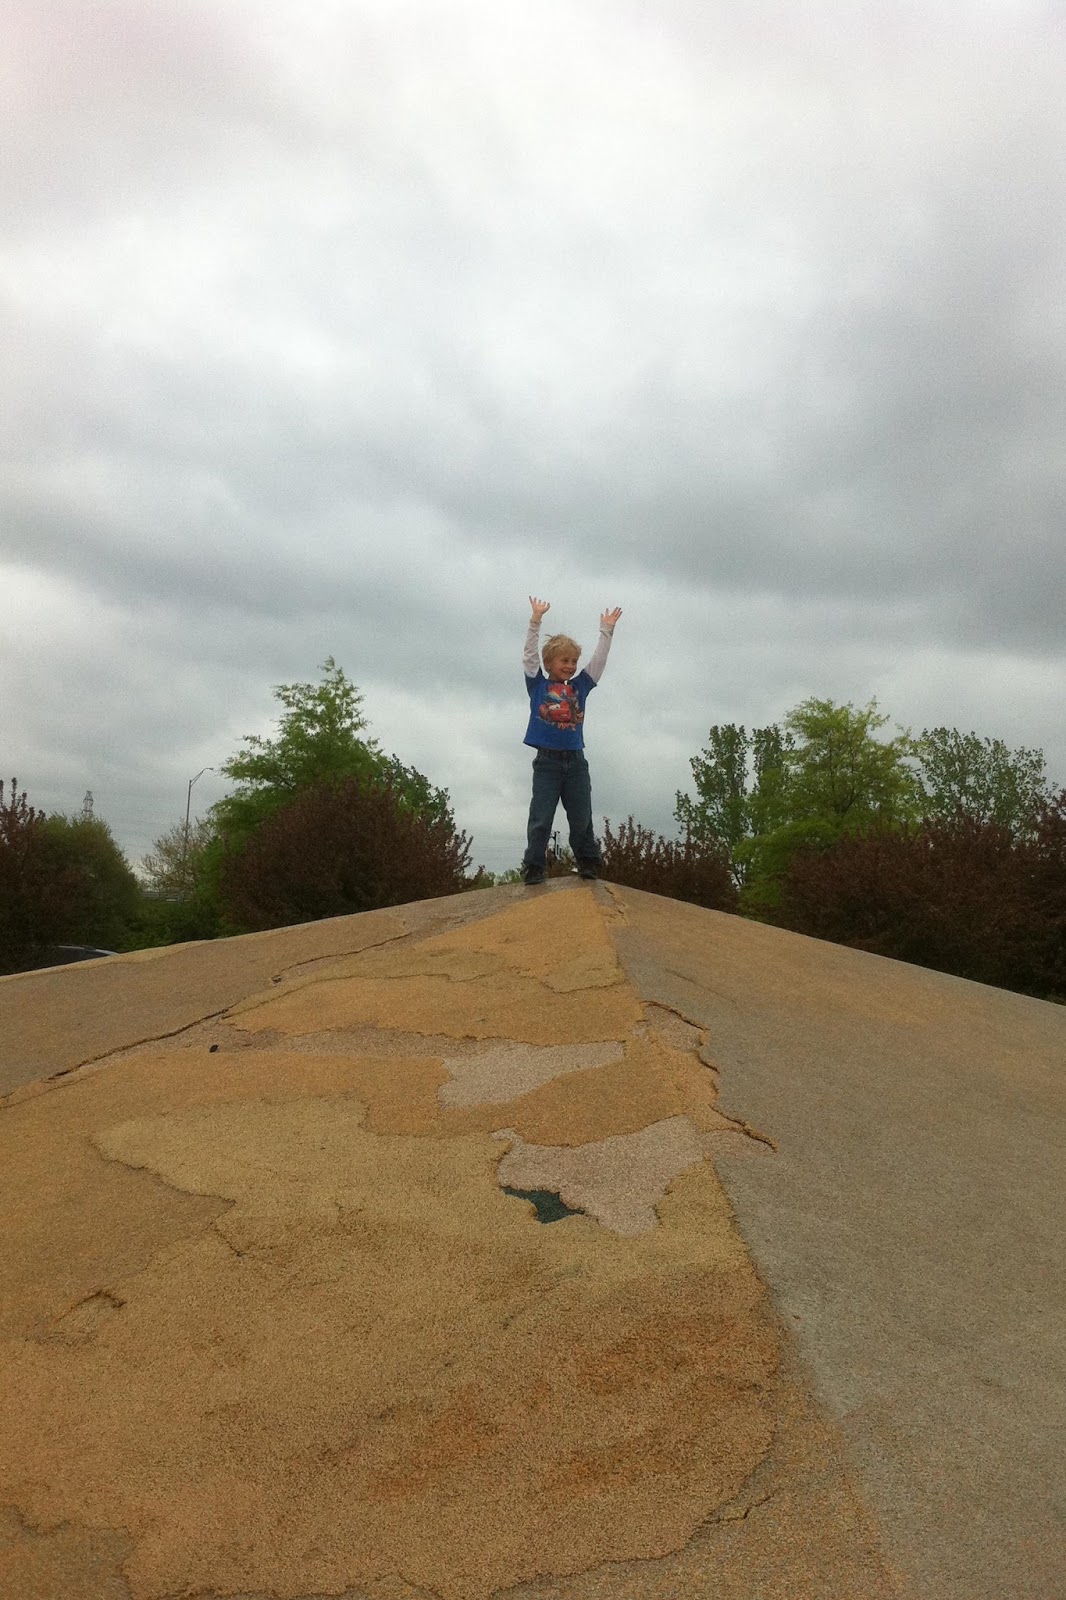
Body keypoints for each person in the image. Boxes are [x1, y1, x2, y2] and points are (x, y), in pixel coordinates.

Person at [520, 595, 622, 885]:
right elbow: (529, 656)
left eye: (574, 661)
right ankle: (534, 866)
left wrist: (606, 631)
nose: (570, 665)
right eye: (564, 660)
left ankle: (588, 863)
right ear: (549, 663)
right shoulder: (537, 684)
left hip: (576, 763)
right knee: (541, 818)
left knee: (581, 817)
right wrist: (535, 621)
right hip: (547, 762)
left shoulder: (581, 686)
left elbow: (598, 662)